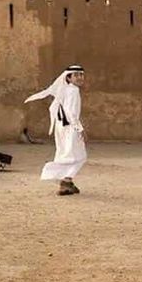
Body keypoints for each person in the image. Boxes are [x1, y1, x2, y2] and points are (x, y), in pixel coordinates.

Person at [24, 65, 87, 196]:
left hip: (62, 127)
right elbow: (71, 113)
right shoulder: (73, 91)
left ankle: (67, 182)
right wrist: (79, 128)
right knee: (78, 155)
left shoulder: (65, 89)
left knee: (67, 153)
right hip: (70, 127)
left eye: (81, 74)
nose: (80, 77)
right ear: (68, 78)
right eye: (76, 75)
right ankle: (65, 181)